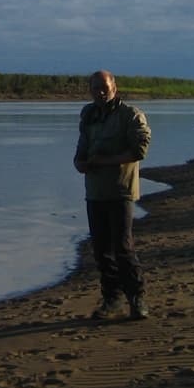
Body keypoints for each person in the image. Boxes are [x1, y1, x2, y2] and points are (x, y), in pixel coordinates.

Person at [73, 70, 153, 320]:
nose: (100, 92)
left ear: (114, 88)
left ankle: (137, 299)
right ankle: (112, 300)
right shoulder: (88, 114)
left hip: (121, 191)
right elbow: (80, 151)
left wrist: (106, 161)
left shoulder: (131, 115)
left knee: (123, 247)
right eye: (95, 88)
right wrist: (81, 163)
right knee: (101, 251)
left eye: (104, 88)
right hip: (95, 193)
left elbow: (140, 150)